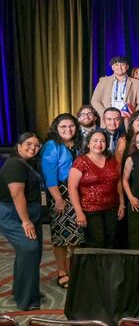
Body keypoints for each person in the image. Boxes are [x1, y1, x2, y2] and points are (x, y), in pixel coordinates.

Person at [0, 133, 44, 310]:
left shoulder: (28, 162)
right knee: (29, 249)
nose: (32, 148)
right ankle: (27, 300)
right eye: (28, 144)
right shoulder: (14, 165)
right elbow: (16, 194)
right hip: (14, 214)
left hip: (31, 213)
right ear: (18, 145)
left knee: (32, 252)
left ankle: (24, 291)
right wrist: (25, 221)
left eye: (36, 145)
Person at [41, 114, 81, 288]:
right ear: (56, 128)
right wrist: (58, 199)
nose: (68, 130)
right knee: (61, 237)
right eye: (63, 127)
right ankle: (62, 271)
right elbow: (49, 176)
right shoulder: (52, 145)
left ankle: (74, 271)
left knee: (77, 235)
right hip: (61, 193)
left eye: (71, 126)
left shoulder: (79, 143)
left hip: (78, 192)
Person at [68, 130, 124, 249]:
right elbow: (72, 188)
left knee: (111, 241)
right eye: (95, 140)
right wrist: (79, 212)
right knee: (97, 243)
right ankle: (95, 268)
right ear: (88, 144)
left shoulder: (112, 160)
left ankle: (108, 268)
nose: (99, 144)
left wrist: (122, 204)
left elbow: (118, 182)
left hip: (111, 208)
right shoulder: (81, 161)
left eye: (102, 141)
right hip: (90, 210)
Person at [90, 56, 139, 124]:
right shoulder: (103, 81)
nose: (119, 67)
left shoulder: (135, 82)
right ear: (112, 67)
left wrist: (134, 116)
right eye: (116, 65)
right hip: (108, 120)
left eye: (122, 65)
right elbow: (95, 100)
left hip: (127, 120)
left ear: (127, 67)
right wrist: (104, 113)